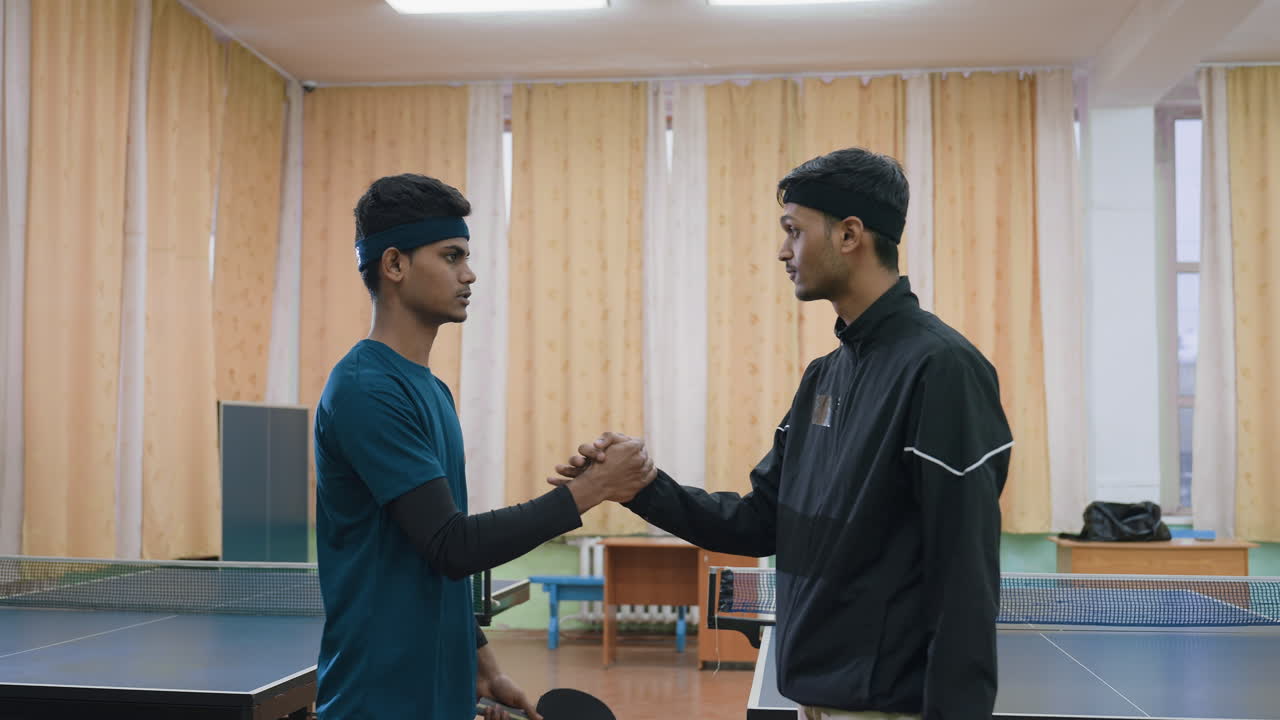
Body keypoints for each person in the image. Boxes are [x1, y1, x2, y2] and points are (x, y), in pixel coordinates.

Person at [554, 149, 1012, 720]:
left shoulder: (942, 369)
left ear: (849, 235)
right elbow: (761, 521)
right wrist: (640, 487)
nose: (782, 250)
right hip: (815, 696)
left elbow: (964, 573)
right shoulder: (825, 375)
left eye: (794, 231)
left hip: (891, 704)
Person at [312, 173, 656, 720]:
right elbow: (453, 546)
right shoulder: (364, 389)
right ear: (394, 265)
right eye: (451, 256)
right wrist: (592, 490)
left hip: (441, 690)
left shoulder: (430, 388)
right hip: (380, 698)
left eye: (466, 256)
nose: (469, 274)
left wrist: (484, 665)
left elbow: (427, 557)